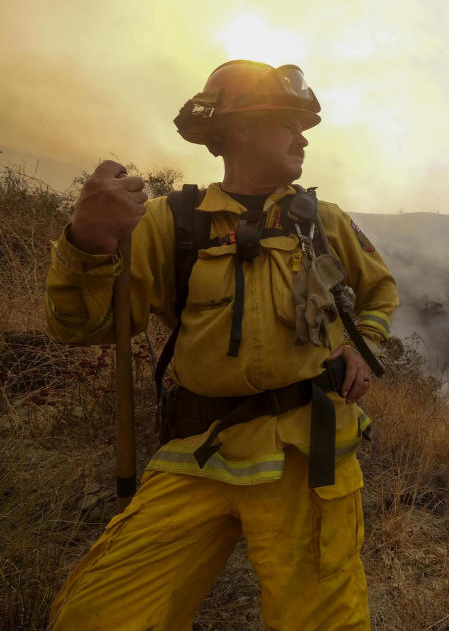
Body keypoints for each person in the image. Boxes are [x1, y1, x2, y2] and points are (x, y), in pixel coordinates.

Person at [44, 59, 397, 630]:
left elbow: (379, 290)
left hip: (308, 457)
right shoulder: (168, 223)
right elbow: (82, 328)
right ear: (240, 128)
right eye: (288, 121)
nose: (303, 137)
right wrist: (88, 240)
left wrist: (365, 342)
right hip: (198, 453)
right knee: (95, 616)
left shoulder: (325, 222)